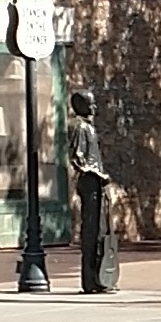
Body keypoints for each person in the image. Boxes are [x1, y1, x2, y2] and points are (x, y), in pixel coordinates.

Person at [66, 86, 116, 294]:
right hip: (90, 184)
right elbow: (78, 159)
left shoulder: (88, 127)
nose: (94, 107)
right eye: (90, 103)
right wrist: (98, 175)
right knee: (92, 231)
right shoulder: (79, 127)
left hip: (97, 184)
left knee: (100, 230)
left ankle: (99, 277)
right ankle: (90, 279)